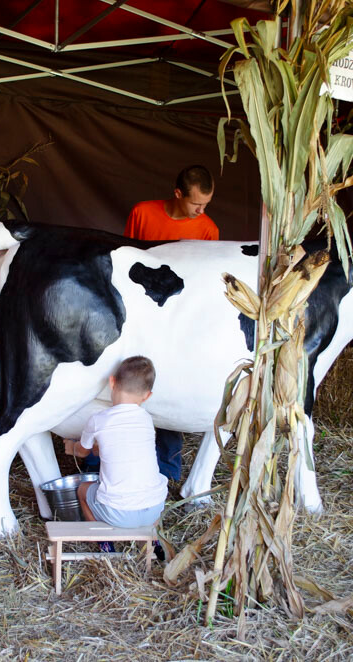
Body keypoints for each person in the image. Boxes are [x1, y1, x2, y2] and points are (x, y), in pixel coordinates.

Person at [124, 165, 219, 481]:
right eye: (196, 204)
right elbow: (125, 258)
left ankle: (167, 469)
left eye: (206, 204)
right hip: (138, 314)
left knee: (170, 386)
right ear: (178, 194)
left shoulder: (208, 229)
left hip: (178, 322)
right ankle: (109, 460)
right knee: (125, 380)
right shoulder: (142, 213)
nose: (201, 211)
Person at [69, 356, 168, 532]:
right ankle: (151, 539)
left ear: (112, 382)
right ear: (147, 396)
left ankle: (103, 541)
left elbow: (82, 452)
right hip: (154, 510)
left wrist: (71, 447)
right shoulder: (147, 419)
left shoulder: (98, 420)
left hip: (118, 512)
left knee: (83, 490)